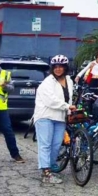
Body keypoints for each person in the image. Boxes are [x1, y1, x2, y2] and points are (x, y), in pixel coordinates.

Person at [33, 54, 75, 184]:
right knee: (45, 144)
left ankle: (50, 166)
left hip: (60, 117)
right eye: (55, 66)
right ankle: (46, 172)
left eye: (61, 66)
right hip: (45, 116)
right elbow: (50, 101)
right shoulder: (48, 82)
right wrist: (67, 106)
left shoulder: (69, 80)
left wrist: (69, 112)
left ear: (65, 68)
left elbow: (70, 98)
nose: (58, 69)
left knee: (56, 145)